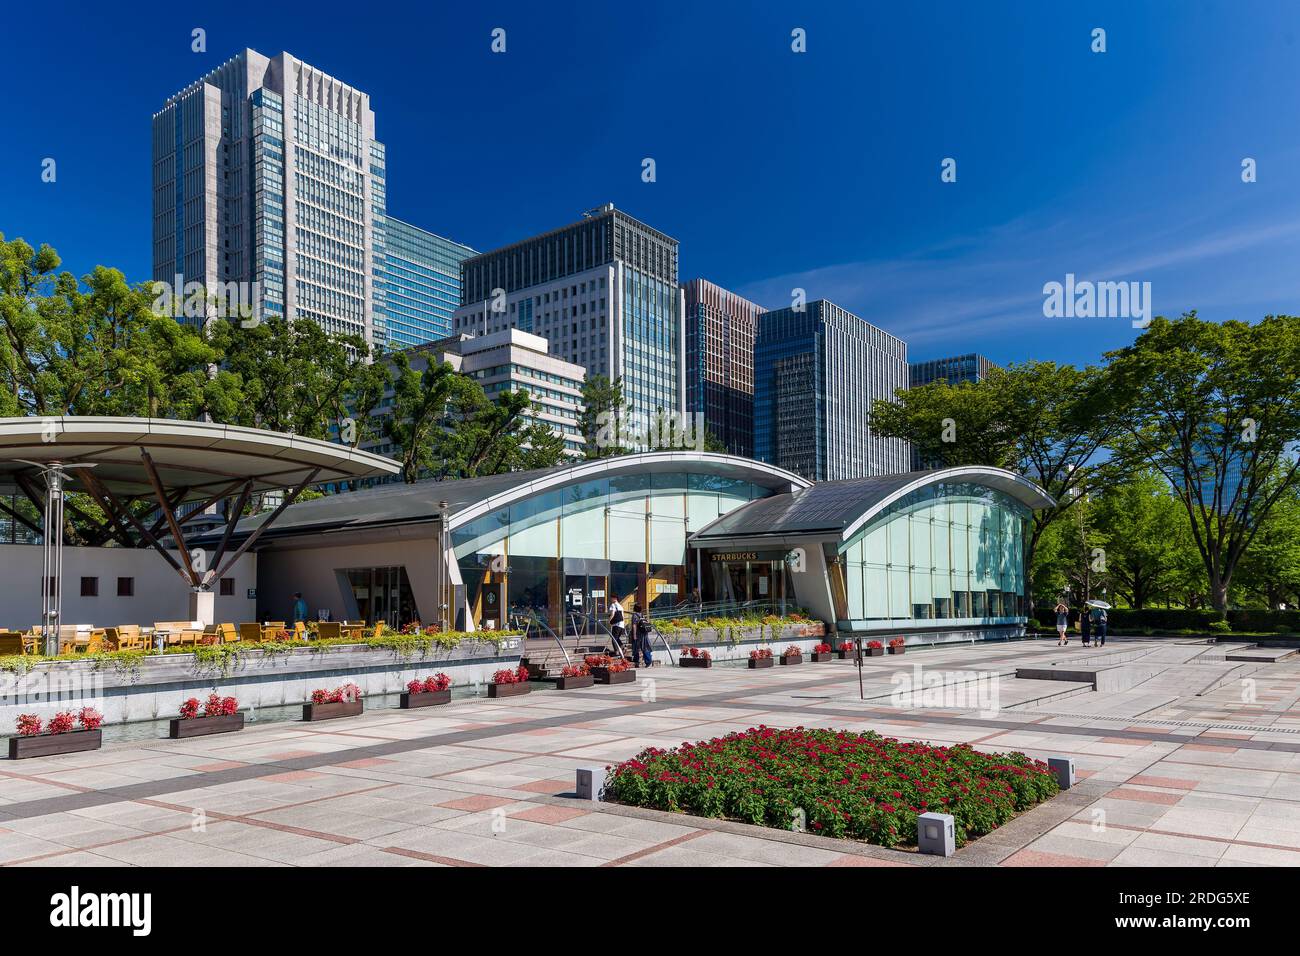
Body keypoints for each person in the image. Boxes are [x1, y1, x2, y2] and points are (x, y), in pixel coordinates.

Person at [631, 602, 653, 668]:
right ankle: (648, 661)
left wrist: (634, 635)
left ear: (634, 608)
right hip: (644, 633)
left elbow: (634, 625)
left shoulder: (634, 615)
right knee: (645, 647)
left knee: (636, 647)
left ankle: (637, 661)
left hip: (638, 634)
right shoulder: (642, 615)